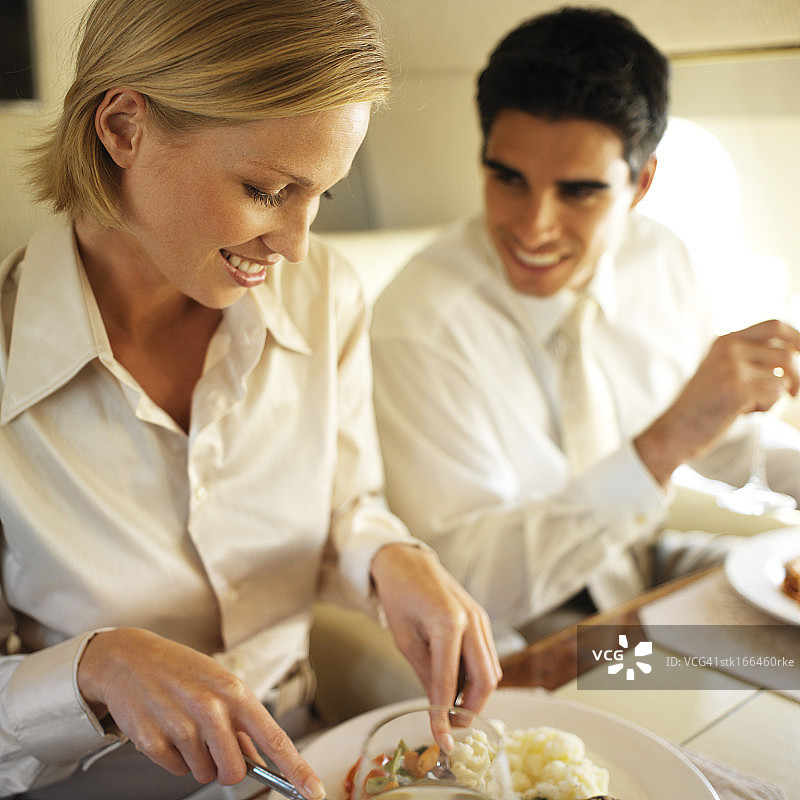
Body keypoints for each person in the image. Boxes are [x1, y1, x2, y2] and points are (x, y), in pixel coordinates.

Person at [0, 1, 502, 797]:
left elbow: (349, 506)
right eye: (266, 190)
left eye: (321, 196)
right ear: (124, 128)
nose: (296, 245)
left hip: (301, 757)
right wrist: (94, 668)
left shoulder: (324, 294)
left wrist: (392, 558)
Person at [371, 7, 800, 639]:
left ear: (640, 183)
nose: (533, 227)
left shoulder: (660, 258)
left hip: (642, 564)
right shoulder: (420, 324)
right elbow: (469, 581)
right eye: (508, 179)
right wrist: (663, 447)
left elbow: (716, 440)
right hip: (527, 625)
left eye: (578, 191)